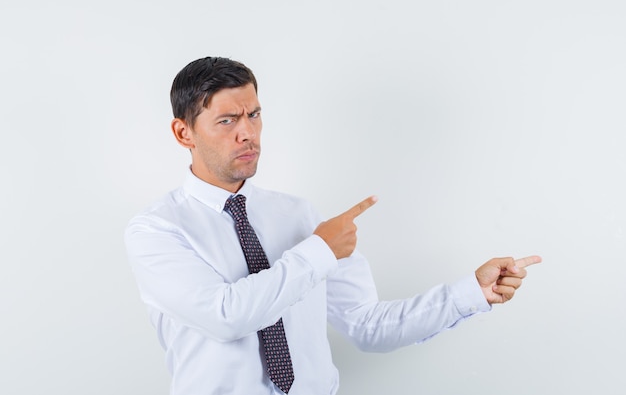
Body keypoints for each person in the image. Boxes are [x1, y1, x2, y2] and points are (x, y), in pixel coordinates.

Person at [125, 56, 541, 395]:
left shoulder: (297, 215)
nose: (248, 133)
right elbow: (226, 316)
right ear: (184, 133)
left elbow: (367, 326)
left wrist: (470, 292)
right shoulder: (156, 231)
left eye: (254, 115)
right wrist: (319, 252)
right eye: (227, 121)